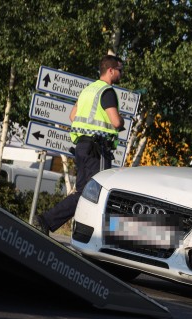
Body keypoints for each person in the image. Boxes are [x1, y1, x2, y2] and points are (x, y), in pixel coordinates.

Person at [33, 55, 125, 235]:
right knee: (95, 193)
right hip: (97, 150)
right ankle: (49, 219)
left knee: (85, 192)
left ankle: (56, 222)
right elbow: (116, 122)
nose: (122, 74)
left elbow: (72, 116)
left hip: (82, 147)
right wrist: (121, 121)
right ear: (111, 71)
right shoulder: (107, 92)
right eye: (120, 70)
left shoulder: (88, 90)